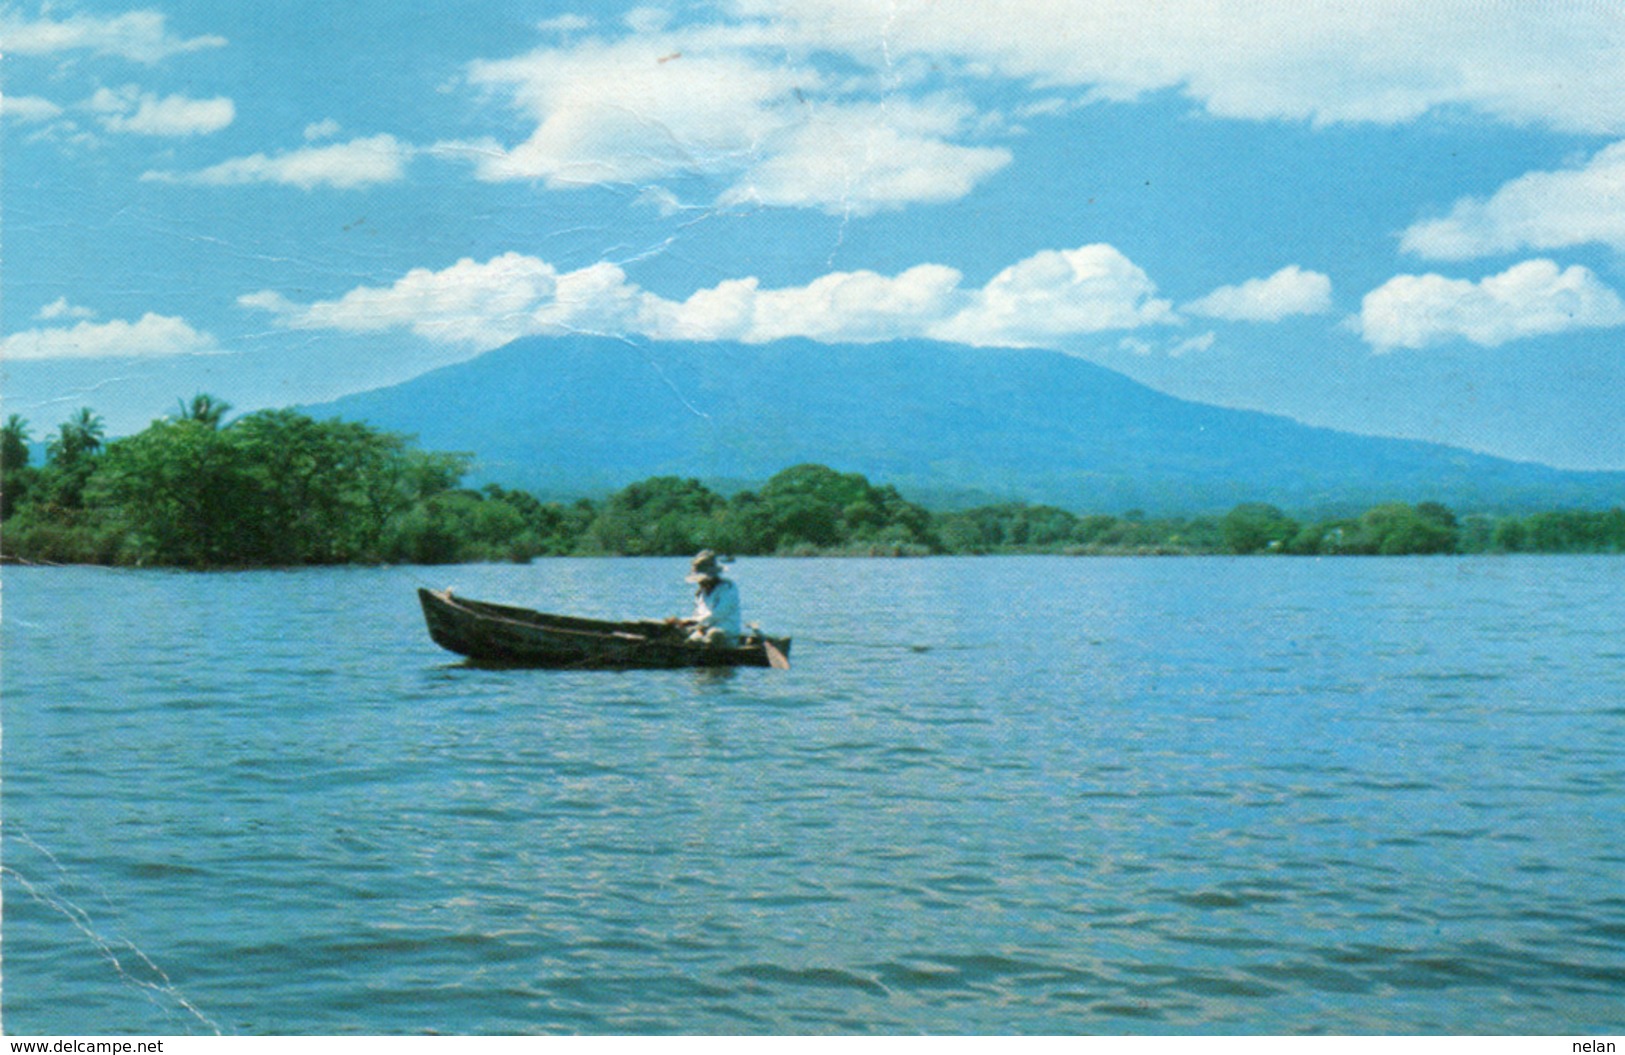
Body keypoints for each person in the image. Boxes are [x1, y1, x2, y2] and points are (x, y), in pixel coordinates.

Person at [681, 549, 742, 646]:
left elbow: (718, 613)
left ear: (712, 576)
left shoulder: (728, 588)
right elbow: (697, 616)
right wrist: (685, 623)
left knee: (714, 634)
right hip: (704, 631)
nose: (700, 582)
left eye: (702, 579)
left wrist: (694, 622)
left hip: (726, 634)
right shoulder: (701, 593)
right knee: (687, 638)